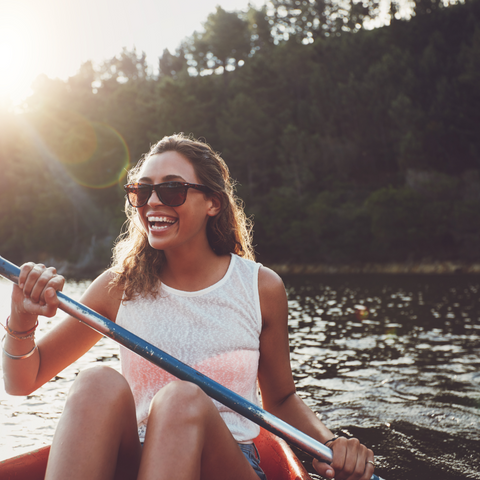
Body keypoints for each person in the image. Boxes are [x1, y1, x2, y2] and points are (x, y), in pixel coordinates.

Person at [2, 134, 375, 480]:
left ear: (213, 202)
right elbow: (23, 382)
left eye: (171, 189)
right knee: (96, 381)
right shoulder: (120, 286)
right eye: (142, 190)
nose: (152, 202)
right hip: (140, 462)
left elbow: (280, 399)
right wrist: (21, 318)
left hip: (229, 463)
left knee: (183, 398)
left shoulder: (260, 287)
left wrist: (330, 444)